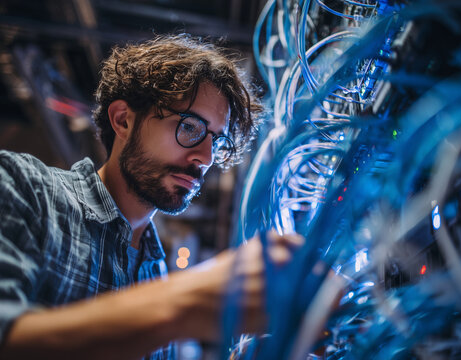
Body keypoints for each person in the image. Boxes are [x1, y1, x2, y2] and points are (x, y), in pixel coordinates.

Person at [0, 34, 303, 359]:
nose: (206, 157)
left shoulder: (154, 269)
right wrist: (185, 301)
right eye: (190, 127)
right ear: (123, 120)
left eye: (217, 142)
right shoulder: (26, 187)